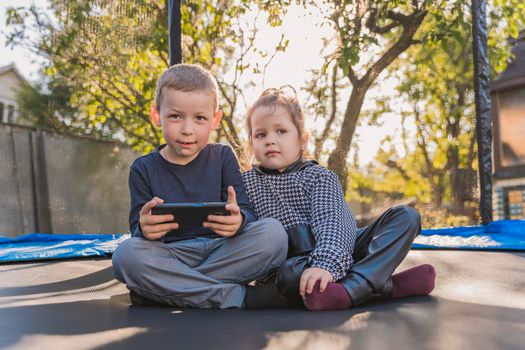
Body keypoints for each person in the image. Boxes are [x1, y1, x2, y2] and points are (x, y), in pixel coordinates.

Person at [241, 86, 436, 310]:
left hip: (339, 251)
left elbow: (333, 223)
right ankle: (385, 287)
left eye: (281, 131)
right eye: (261, 134)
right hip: (293, 268)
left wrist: (325, 265)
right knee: (290, 275)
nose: (270, 140)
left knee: (406, 216)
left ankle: (350, 289)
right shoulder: (245, 183)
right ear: (251, 142)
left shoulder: (319, 177)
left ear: (302, 140)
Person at [112, 64, 288, 309]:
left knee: (274, 234)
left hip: (223, 250)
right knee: (126, 256)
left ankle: (164, 290)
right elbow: (138, 232)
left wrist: (238, 222)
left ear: (215, 120)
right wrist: (145, 228)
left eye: (200, 118)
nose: (187, 129)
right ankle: (233, 296)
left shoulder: (223, 157)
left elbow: (247, 212)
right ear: (156, 116)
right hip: (172, 254)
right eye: (175, 116)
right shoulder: (142, 168)